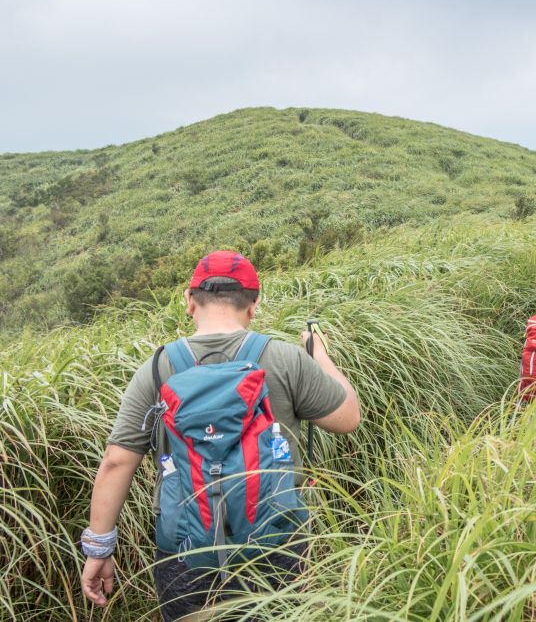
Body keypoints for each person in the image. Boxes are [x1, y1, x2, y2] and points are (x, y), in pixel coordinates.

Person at [79, 250, 361, 621]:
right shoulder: (286, 358)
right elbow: (348, 417)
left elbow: (116, 463)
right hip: (275, 545)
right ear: (254, 304)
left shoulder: (157, 367)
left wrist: (99, 548)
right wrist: (320, 356)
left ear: (189, 301)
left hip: (185, 551)